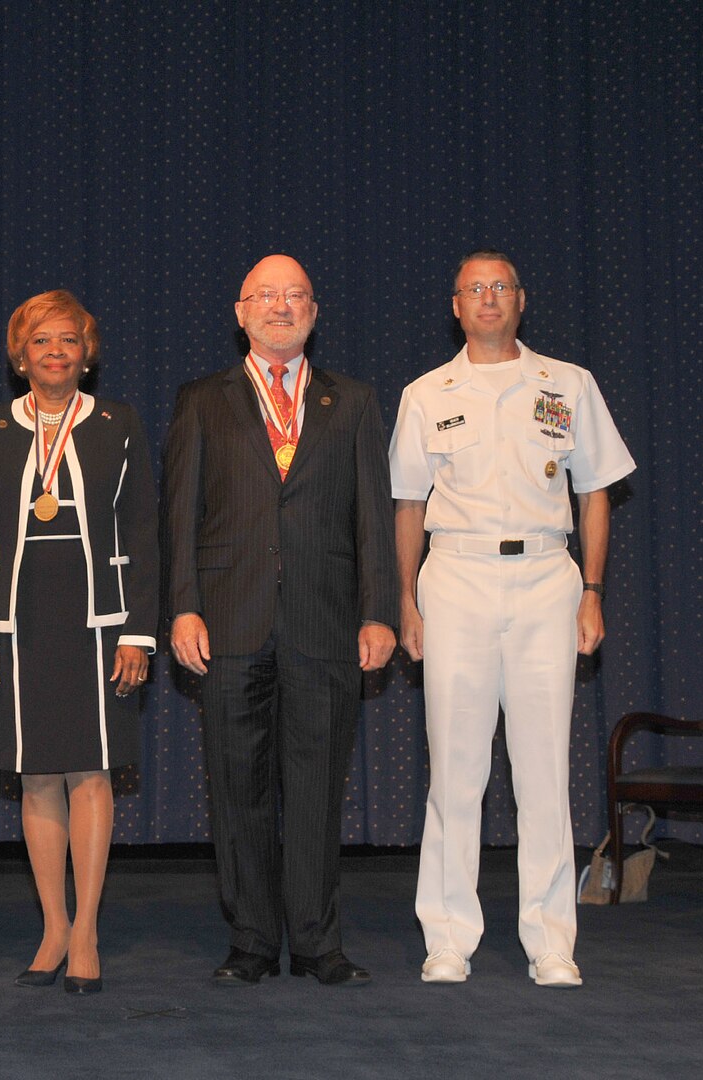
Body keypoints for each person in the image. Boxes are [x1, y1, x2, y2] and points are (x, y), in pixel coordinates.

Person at [390, 250, 635, 988]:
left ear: (521, 301)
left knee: (543, 770)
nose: (488, 299)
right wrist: (408, 600)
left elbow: (594, 491)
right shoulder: (427, 393)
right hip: (457, 578)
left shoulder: (568, 385)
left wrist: (592, 588)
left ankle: (551, 941)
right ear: (455, 306)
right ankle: (448, 938)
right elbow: (408, 504)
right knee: (456, 772)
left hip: (545, 580)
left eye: (501, 287)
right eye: (475, 289)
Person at [163, 254, 397, 987]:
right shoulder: (202, 399)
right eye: (267, 295)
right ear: (240, 312)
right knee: (238, 789)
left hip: (326, 624)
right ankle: (253, 942)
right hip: (229, 623)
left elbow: (374, 520)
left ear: (315, 312)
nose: (281, 306)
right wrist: (183, 607)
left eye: (295, 295)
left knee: (319, 789)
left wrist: (380, 613)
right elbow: (178, 517)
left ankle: (319, 944)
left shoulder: (352, 402)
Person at [0, 291, 159, 995]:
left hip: (99, 621)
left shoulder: (118, 423)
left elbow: (142, 531)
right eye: (41, 341)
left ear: (87, 352)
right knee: (37, 773)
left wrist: (138, 628)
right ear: (20, 356)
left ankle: (86, 931)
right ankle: (51, 924)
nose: (55, 352)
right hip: (16, 619)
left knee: (92, 772)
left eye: (68, 341)